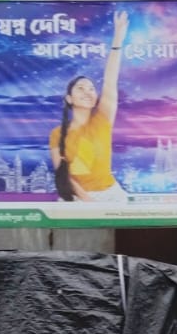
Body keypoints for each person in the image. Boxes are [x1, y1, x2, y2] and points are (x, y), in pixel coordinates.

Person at [49, 11, 130, 202]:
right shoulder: (57, 134)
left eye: (91, 88)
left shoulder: (102, 120)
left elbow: (110, 79)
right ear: (69, 99)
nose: (87, 91)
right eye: (80, 88)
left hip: (111, 194)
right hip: (77, 197)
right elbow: (64, 176)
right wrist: (88, 202)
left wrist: (118, 37)